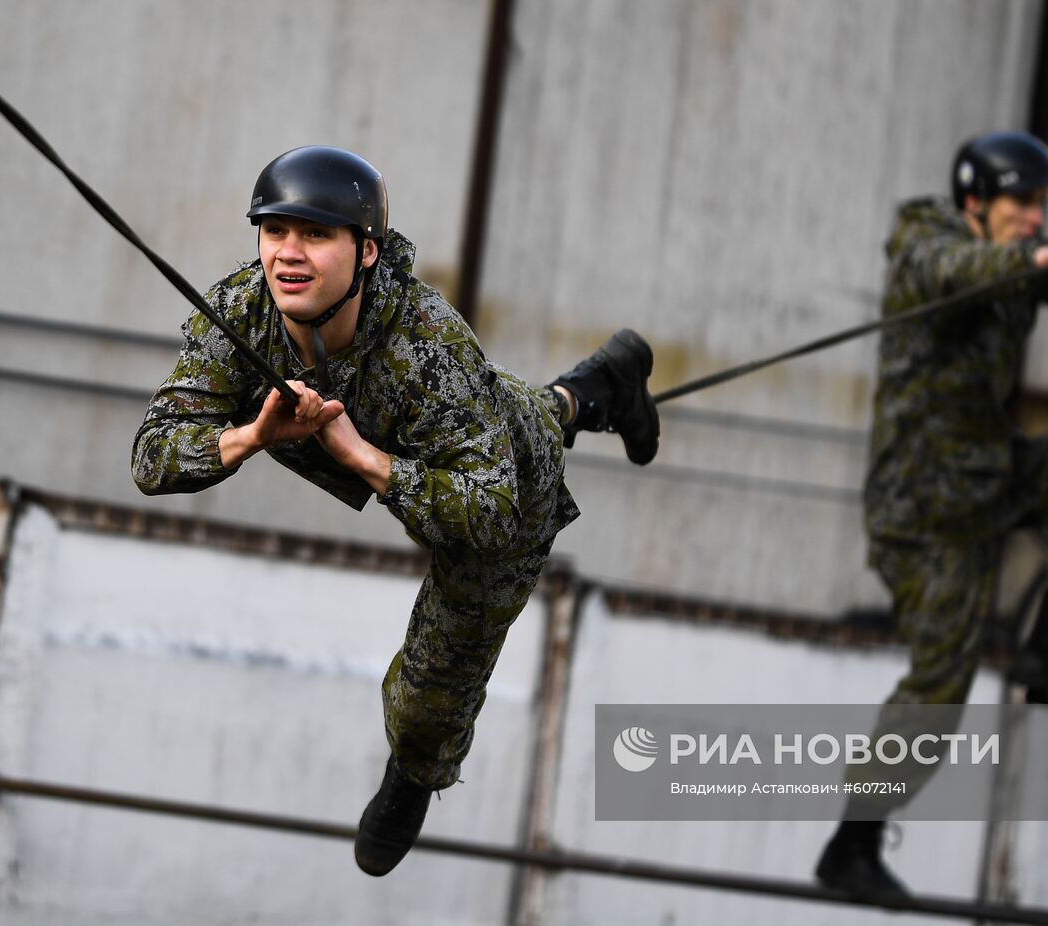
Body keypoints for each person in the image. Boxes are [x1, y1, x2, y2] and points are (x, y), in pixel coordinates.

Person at [131, 145, 659, 876]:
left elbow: (493, 514)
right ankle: (602, 384)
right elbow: (153, 457)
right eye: (275, 230)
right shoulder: (241, 312)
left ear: (368, 251)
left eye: (316, 235)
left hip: (495, 493)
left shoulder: (430, 341)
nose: (289, 254)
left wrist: (364, 459)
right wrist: (250, 436)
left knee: (431, 695)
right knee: (518, 409)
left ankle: (414, 771)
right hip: (456, 423)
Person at [813, 131, 1048, 898]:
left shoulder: (1021, 258)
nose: (1035, 217)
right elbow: (952, 273)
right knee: (940, 686)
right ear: (976, 201)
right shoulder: (928, 238)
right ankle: (852, 847)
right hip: (923, 509)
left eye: (1043, 204)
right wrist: (1030, 260)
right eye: (1024, 203)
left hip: (987, 473)